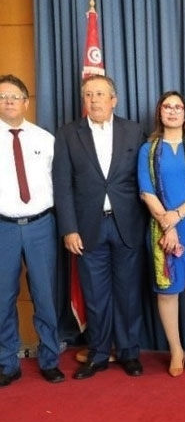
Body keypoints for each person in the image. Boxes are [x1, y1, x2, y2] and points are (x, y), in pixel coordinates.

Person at [53, 74, 147, 380]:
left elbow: (144, 180)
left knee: (128, 294)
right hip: (87, 228)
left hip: (127, 226)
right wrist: (69, 228)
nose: (93, 100)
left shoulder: (134, 131)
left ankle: (129, 352)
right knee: (95, 296)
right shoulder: (68, 134)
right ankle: (98, 354)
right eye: (89, 94)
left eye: (100, 94)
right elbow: (62, 186)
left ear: (113, 100)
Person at [138, 91, 185, 377]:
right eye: (167, 107)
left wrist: (176, 217)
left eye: (177, 107)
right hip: (161, 229)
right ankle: (176, 351)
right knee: (167, 293)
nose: (172, 111)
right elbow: (146, 191)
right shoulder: (148, 150)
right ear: (160, 112)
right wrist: (167, 225)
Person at [0, 74, 64, 386]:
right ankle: (7, 363)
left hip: (41, 225)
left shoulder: (45, 139)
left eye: (14, 96)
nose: (8, 101)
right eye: (2, 97)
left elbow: (59, 184)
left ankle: (50, 358)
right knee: (3, 298)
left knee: (45, 295)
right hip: (4, 228)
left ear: (26, 103)